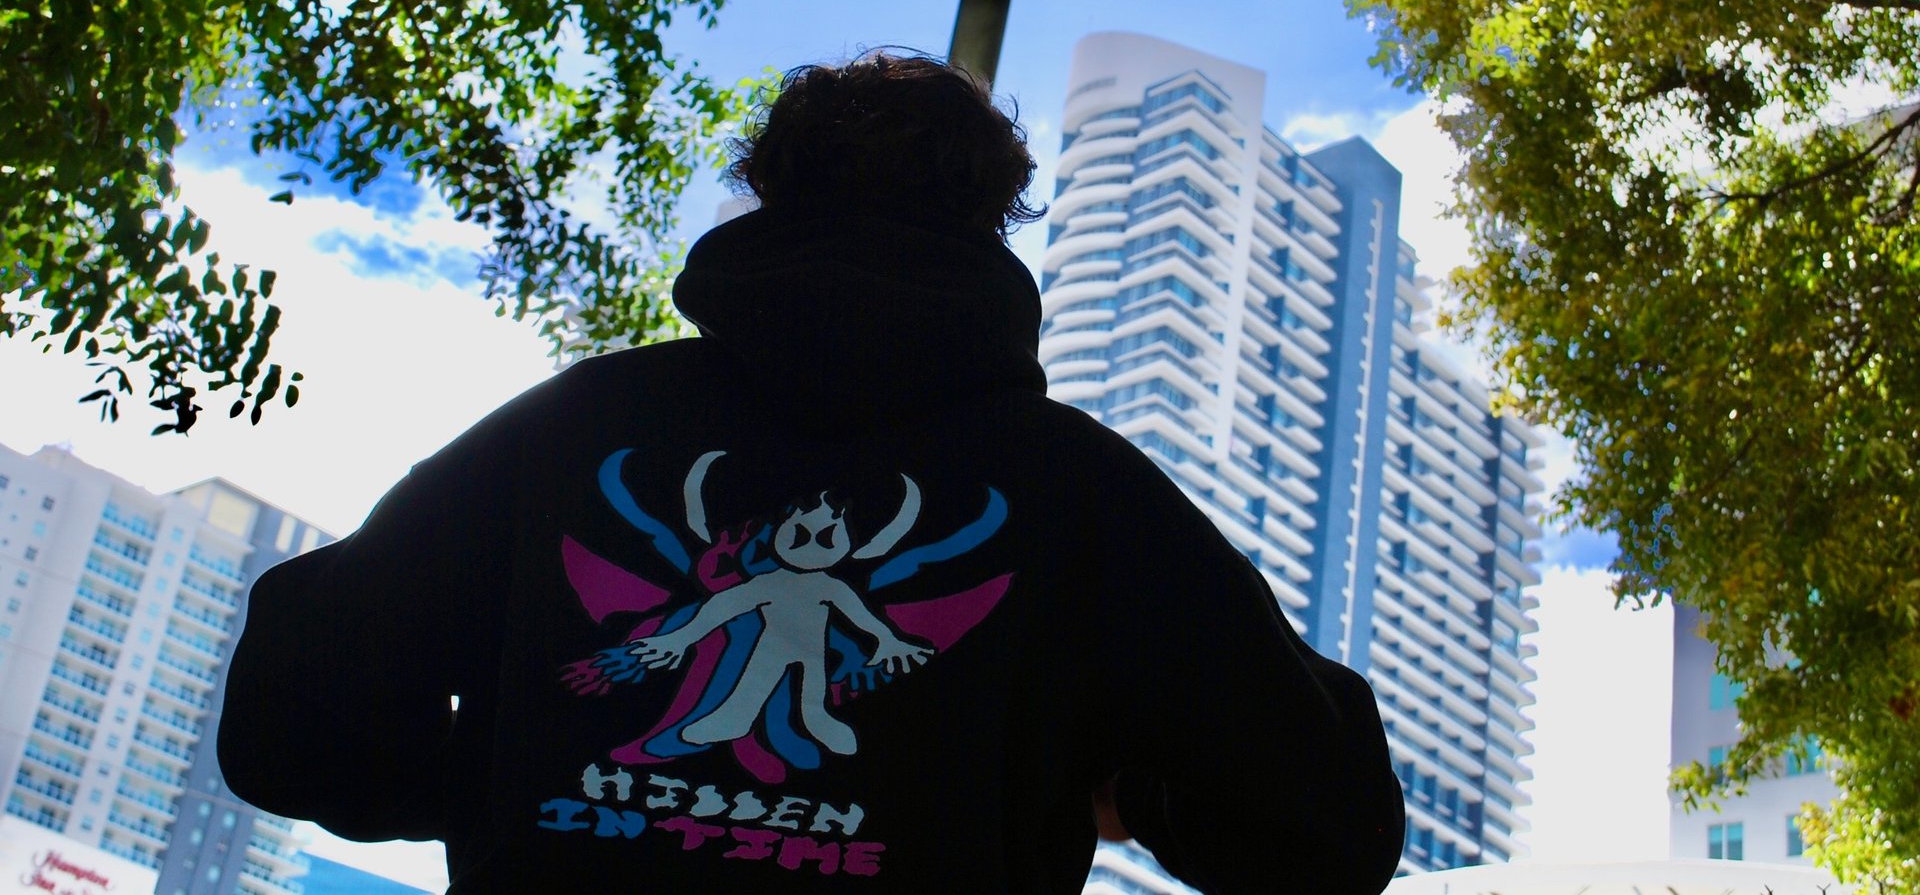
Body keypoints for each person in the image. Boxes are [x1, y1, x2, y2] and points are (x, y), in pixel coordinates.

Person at [218, 53, 1405, 893]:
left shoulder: (576, 424)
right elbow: (1330, 827)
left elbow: (291, 706)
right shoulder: (1081, 496)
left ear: (771, 186)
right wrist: (1119, 799)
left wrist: (511, 786)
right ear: (997, 215)